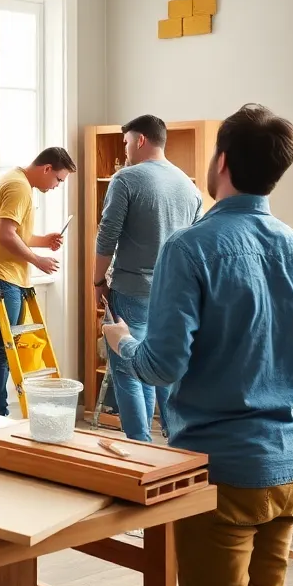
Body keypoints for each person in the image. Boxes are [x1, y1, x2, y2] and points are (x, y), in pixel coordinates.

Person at [101, 104, 293, 586]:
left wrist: (124, 343)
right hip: (292, 462)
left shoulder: (190, 248)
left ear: (220, 162)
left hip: (221, 470)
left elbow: (162, 365)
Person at [94, 115, 201, 442]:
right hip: (174, 294)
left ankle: (140, 447)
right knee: (165, 371)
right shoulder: (189, 186)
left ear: (140, 140)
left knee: (128, 371)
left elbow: (107, 236)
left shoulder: (126, 179)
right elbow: (194, 243)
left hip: (131, 291)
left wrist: (98, 281)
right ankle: (175, 445)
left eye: (126, 142)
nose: (125, 150)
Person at [0, 147, 76, 419]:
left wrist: (42, 240)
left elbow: (13, 233)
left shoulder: (15, 179)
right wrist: (38, 260)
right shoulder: (19, 188)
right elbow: (5, 235)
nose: (56, 186)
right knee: (2, 350)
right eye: (58, 180)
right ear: (47, 169)